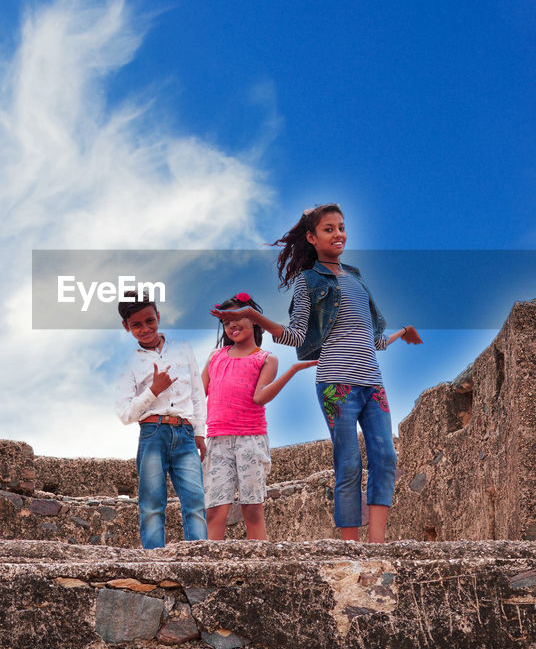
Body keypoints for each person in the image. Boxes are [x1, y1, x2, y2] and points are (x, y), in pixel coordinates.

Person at [211, 204, 422, 542]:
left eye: (341, 227)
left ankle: (377, 542)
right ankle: (350, 544)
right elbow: (294, 335)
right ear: (311, 237)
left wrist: (402, 332)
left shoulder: (356, 278)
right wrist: (252, 315)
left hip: (372, 382)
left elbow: (375, 338)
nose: (338, 234)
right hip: (336, 382)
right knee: (349, 460)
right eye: (329, 229)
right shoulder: (308, 282)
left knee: (385, 455)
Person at [201, 292, 316, 540]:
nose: (231, 325)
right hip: (217, 440)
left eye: (237, 317)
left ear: (253, 319)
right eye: (225, 321)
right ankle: (212, 567)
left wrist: (293, 369)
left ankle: (258, 562)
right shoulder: (215, 357)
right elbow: (199, 396)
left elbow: (260, 397)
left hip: (250, 440)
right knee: (213, 511)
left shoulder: (266, 359)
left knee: (252, 509)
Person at [115, 291, 208, 549]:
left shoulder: (183, 350)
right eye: (136, 325)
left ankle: (199, 564)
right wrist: (153, 390)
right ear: (126, 326)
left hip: (186, 434)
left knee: (195, 502)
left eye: (149, 321)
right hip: (152, 433)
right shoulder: (128, 363)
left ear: (158, 316)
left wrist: (200, 431)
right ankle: (154, 567)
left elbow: (197, 394)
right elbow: (125, 414)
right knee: (152, 505)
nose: (145, 328)